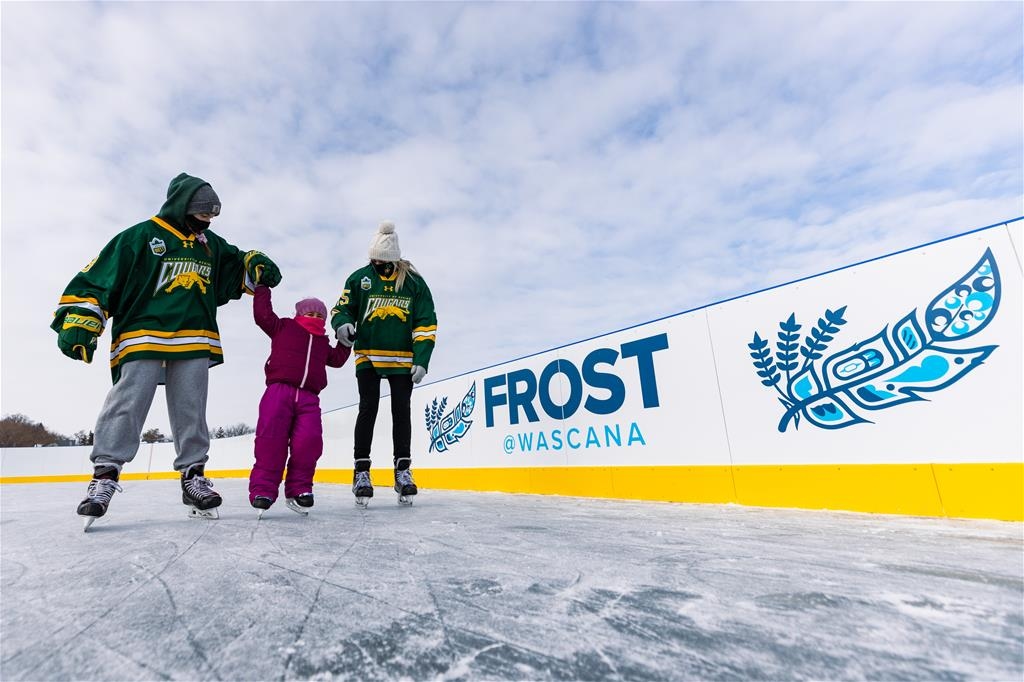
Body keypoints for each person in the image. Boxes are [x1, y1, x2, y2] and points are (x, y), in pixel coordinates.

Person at [51, 172, 282, 529]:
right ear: (182, 206)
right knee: (128, 401)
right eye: (201, 214)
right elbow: (99, 279)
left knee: (191, 407)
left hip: (194, 335)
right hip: (142, 333)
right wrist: (83, 319)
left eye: (211, 216)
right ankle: (105, 475)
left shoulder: (210, 244)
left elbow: (237, 267)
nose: (206, 221)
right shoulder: (140, 237)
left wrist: (255, 263)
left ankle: (193, 476)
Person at [330, 221, 437, 506]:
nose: (377, 264)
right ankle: (361, 471)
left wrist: (422, 358)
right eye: (374, 259)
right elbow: (341, 309)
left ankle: (402, 470)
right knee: (368, 408)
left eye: (382, 260)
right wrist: (342, 325)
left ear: (393, 259)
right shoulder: (359, 279)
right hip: (368, 354)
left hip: (402, 358)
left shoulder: (413, 282)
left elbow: (426, 321)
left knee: (401, 410)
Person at [249, 287, 350, 516]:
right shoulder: (284, 327)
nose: (314, 318)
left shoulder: (322, 343)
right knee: (270, 441)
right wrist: (262, 288)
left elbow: (336, 360)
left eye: (319, 315)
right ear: (298, 314)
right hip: (278, 392)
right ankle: (263, 490)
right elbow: (262, 315)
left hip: (309, 399)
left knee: (309, 442)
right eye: (310, 313)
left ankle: (299, 489)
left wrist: (346, 342)